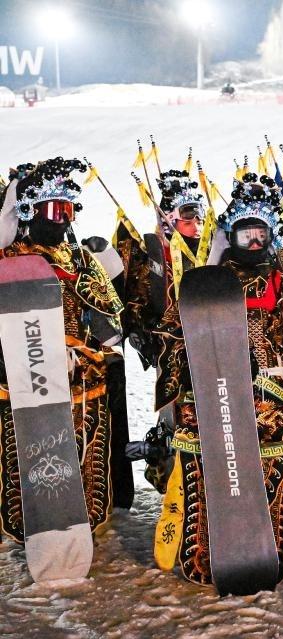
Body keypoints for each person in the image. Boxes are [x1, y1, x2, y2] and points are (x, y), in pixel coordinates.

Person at [152, 173, 283, 586]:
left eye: (262, 234)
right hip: (216, 393)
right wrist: (187, 369)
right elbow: (174, 331)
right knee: (212, 475)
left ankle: (269, 553)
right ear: (231, 235)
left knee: (275, 481)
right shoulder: (207, 280)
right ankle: (208, 557)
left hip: (274, 392)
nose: (255, 243)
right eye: (247, 235)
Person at [0, 157, 124, 542]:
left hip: (83, 378)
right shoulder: (10, 260)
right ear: (29, 211)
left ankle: (83, 519)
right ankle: (31, 524)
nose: (61, 219)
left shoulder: (83, 258)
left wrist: (98, 342)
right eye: (53, 210)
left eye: (67, 210)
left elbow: (111, 318)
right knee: (29, 450)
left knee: (84, 449)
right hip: (27, 375)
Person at [115, 169, 208, 493]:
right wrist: (141, 331)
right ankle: (171, 475)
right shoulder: (155, 250)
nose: (196, 227)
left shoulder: (209, 248)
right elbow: (138, 296)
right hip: (169, 350)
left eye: (198, 220)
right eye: (187, 220)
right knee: (174, 411)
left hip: (208, 346)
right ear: (170, 220)